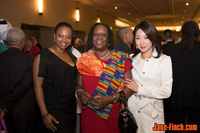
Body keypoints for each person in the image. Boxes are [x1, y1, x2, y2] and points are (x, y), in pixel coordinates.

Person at [76, 23, 133, 133]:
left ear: (109, 39)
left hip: (112, 116)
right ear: (91, 38)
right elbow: (79, 86)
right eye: (96, 34)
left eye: (103, 35)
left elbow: (130, 88)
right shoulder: (84, 60)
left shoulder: (120, 59)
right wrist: (80, 94)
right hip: (89, 116)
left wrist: (110, 99)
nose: (99, 37)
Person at [125, 20, 173, 133]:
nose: (142, 42)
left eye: (146, 37)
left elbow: (166, 91)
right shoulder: (131, 59)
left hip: (153, 117)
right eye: (138, 38)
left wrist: (139, 89)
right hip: (133, 115)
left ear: (153, 37)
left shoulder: (164, 60)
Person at [33, 22, 77, 132]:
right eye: (60, 35)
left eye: (68, 37)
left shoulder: (71, 55)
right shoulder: (43, 56)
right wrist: (44, 114)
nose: (64, 40)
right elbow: (37, 86)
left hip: (70, 109)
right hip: (52, 111)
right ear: (54, 36)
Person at [164, 21, 200, 132]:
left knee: (174, 128)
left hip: (176, 96)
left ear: (182, 33)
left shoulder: (171, 49)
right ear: (197, 33)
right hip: (198, 96)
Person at [0, 28, 35, 133]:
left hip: (2, 110)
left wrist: (3, 105)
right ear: (22, 41)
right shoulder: (29, 60)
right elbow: (24, 86)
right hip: (23, 111)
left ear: (8, 42)